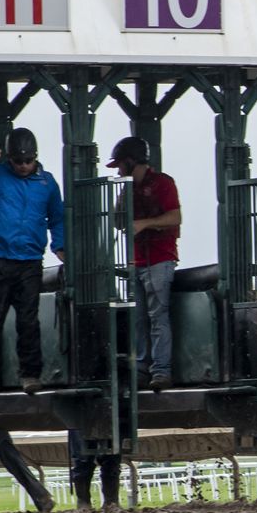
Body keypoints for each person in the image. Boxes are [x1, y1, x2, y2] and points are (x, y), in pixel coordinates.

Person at [0, 128, 65, 395]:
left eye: (27, 161)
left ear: (35, 157)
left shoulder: (48, 183)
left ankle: (31, 375)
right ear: (9, 159)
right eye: (18, 161)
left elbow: (57, 217)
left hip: (30, 261)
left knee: (28, 321)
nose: (23, 166)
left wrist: (60, 246)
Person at [110, 137, 181, 391]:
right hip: (136, 261)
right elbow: (118, 222)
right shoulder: (128, 189)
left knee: (157, 315)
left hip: (160, 259)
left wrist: (145, 223)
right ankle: (141, 368)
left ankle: (161, 370)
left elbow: (175, 217)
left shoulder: (163, 183)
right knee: (139, 318)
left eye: (120, 165)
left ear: (131, 161)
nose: (118, 171)